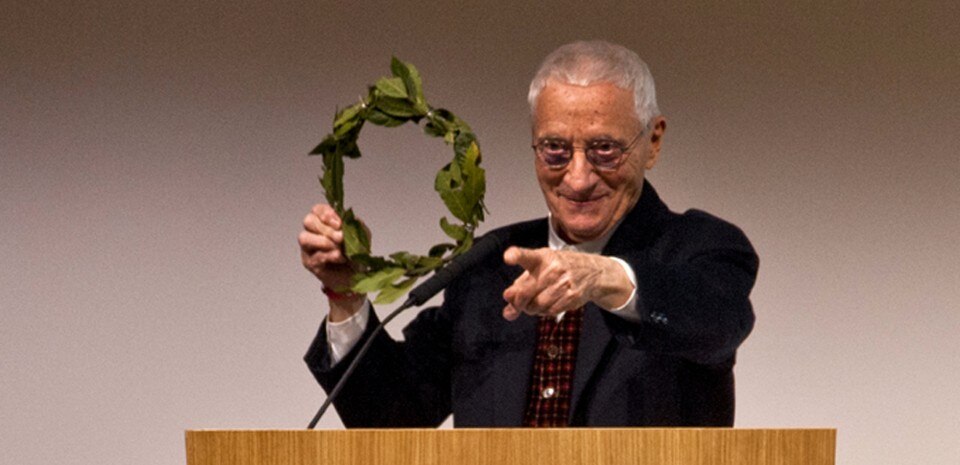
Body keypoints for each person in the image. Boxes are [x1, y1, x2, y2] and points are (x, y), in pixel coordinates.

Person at [298, 40, 758, 427]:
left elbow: (719, 324)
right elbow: (392, 418)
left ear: (652, 141)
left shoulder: (702, 247)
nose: (578, 178)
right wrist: (346, 295)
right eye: (555, 149)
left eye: (604, 149)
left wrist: (603, 277)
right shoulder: (490, 264)